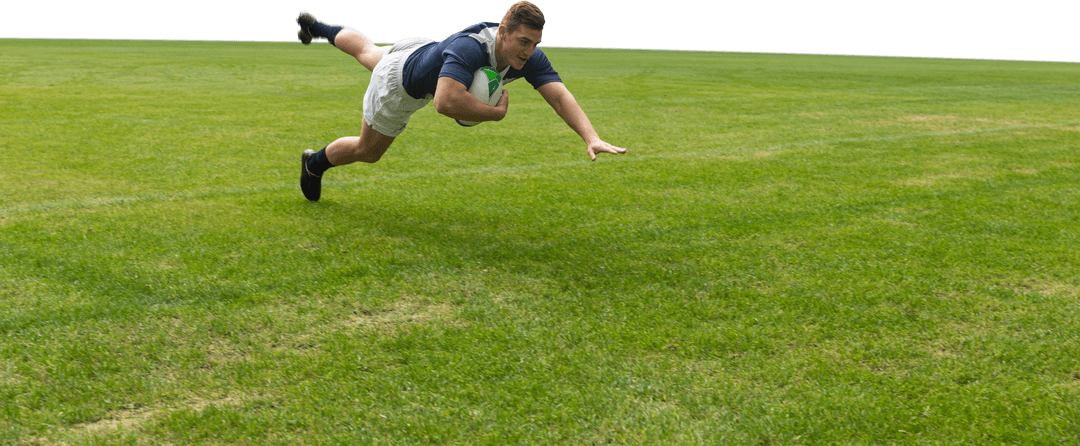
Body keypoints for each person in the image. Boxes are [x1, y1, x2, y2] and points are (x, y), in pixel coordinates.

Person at [294, 1, 627, 202]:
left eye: (535, 43)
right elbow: (445, 102)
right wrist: (494, 114)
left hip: (421, 50)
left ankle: (317, 27)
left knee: (367, 51)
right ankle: (314, 164)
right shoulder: (471, 47)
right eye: (524, 41)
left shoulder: (527, 57)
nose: (529, 50)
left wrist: (591, 137)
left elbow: (558, 96)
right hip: (398, 85)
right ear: (503, 30)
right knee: (368, 151)